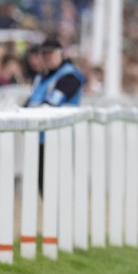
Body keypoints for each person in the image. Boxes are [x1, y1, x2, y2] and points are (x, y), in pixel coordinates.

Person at [25, 37, 86, 194]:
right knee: (42, 185)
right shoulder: (41, 78)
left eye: (50, 54)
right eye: (43, 54)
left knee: (55, 187)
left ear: (61, 54)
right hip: (39, 138)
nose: (46, 58)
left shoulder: (70, 76)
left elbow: (53, 103)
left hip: (59, 139)